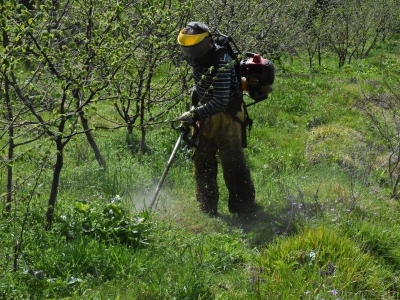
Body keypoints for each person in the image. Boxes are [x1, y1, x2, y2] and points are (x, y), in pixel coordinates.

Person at [176, 22, 258, 217]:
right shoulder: (195, 59)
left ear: (206, 43)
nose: (191, 53)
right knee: (202, 161)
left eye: (194, 48)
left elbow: (220, 100)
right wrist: (195, 108)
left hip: (228, 115)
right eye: (188, 49)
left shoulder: (222, 60)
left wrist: (195, 114)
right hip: (205, 114)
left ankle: (243, 207)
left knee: (233, 163)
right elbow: (202, 87)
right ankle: (207, 207)